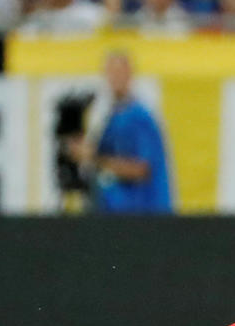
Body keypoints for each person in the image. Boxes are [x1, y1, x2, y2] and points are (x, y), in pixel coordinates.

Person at [66, 52, 173, 214]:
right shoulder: (111, 118)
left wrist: (92, 158)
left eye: (120, 72)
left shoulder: (140, 117)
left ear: (130, 75)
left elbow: (141, 169)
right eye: (111, 73)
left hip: (143, 215)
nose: (115, 78)